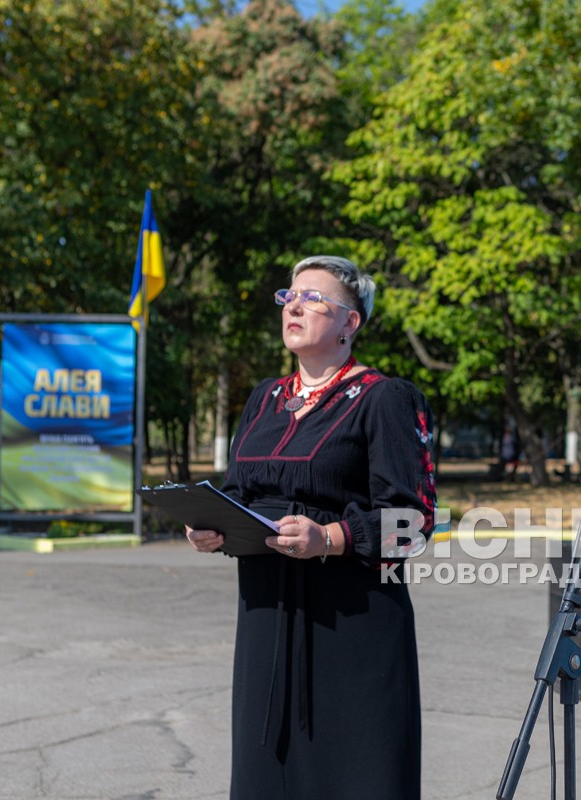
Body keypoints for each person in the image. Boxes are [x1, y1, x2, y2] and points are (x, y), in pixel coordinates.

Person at [186, 255, 437, 799]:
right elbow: (237, 492)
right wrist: (211, 525)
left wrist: (331, 538)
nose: (294, 305)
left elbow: (414, 524)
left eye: (313, 298)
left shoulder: (384, 398)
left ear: (351, 323)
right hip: (265, 624)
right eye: (289, 296)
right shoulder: (264, 399)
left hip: (350, 631)